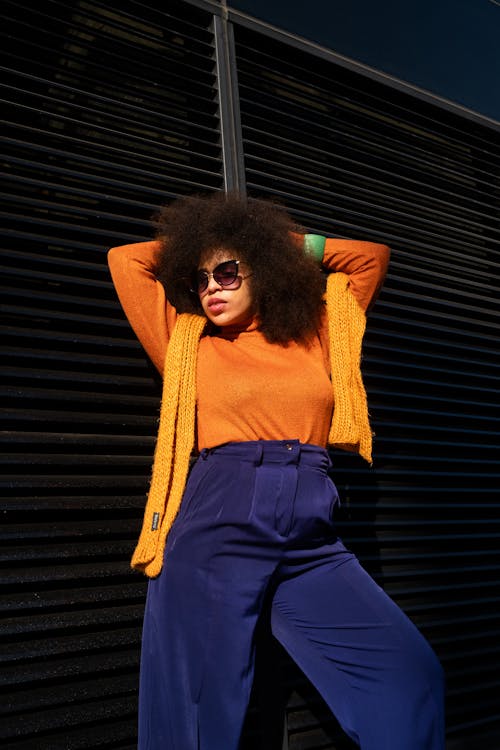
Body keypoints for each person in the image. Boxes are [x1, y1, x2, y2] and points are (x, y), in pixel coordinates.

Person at [107, 191, 445, 750]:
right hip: (221, 515)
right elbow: (127, 259)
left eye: (229, 270)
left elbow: (368, 258)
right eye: (201, 278)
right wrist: (210, 245)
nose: (211, 286)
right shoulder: (188, 346)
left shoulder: (318, 334)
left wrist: (270, 243)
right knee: (199, 711)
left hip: (311, 529)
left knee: (407, 676)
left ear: (260, 269)